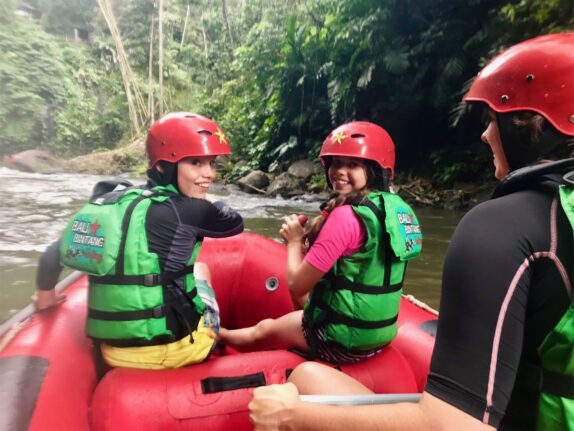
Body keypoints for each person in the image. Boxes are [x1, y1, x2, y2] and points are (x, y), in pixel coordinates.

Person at [246, 33, 574, 430]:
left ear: (534, 126)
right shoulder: (397, 213)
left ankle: (226, 340)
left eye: (493, 120)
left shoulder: (501, 228)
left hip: (343, 340)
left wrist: (292, 414)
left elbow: (453, 426)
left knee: (302, 376)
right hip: (378, 336)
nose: (486, 135)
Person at [33, 112, 244, 370]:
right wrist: (205, 197)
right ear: (162, 166)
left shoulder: (113, 203)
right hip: (173, 351)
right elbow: (234, 221)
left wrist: (46, 298)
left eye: (212, 164)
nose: (209, 174)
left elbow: (51, 256)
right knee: (201, 271)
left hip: (113, 353)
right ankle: (219, 337)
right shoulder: (190, 210)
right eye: (196, 163)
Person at [219, 121, 422, 364]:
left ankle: (220, 335)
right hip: (377, 339)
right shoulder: (398, 212)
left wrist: (294, 242)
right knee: (309, 304)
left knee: (264, 329)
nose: (339, 171)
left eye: (353, 164)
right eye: (335, 162)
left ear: (375, 170)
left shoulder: (345, 218)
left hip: (337, 343)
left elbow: (296, 285)